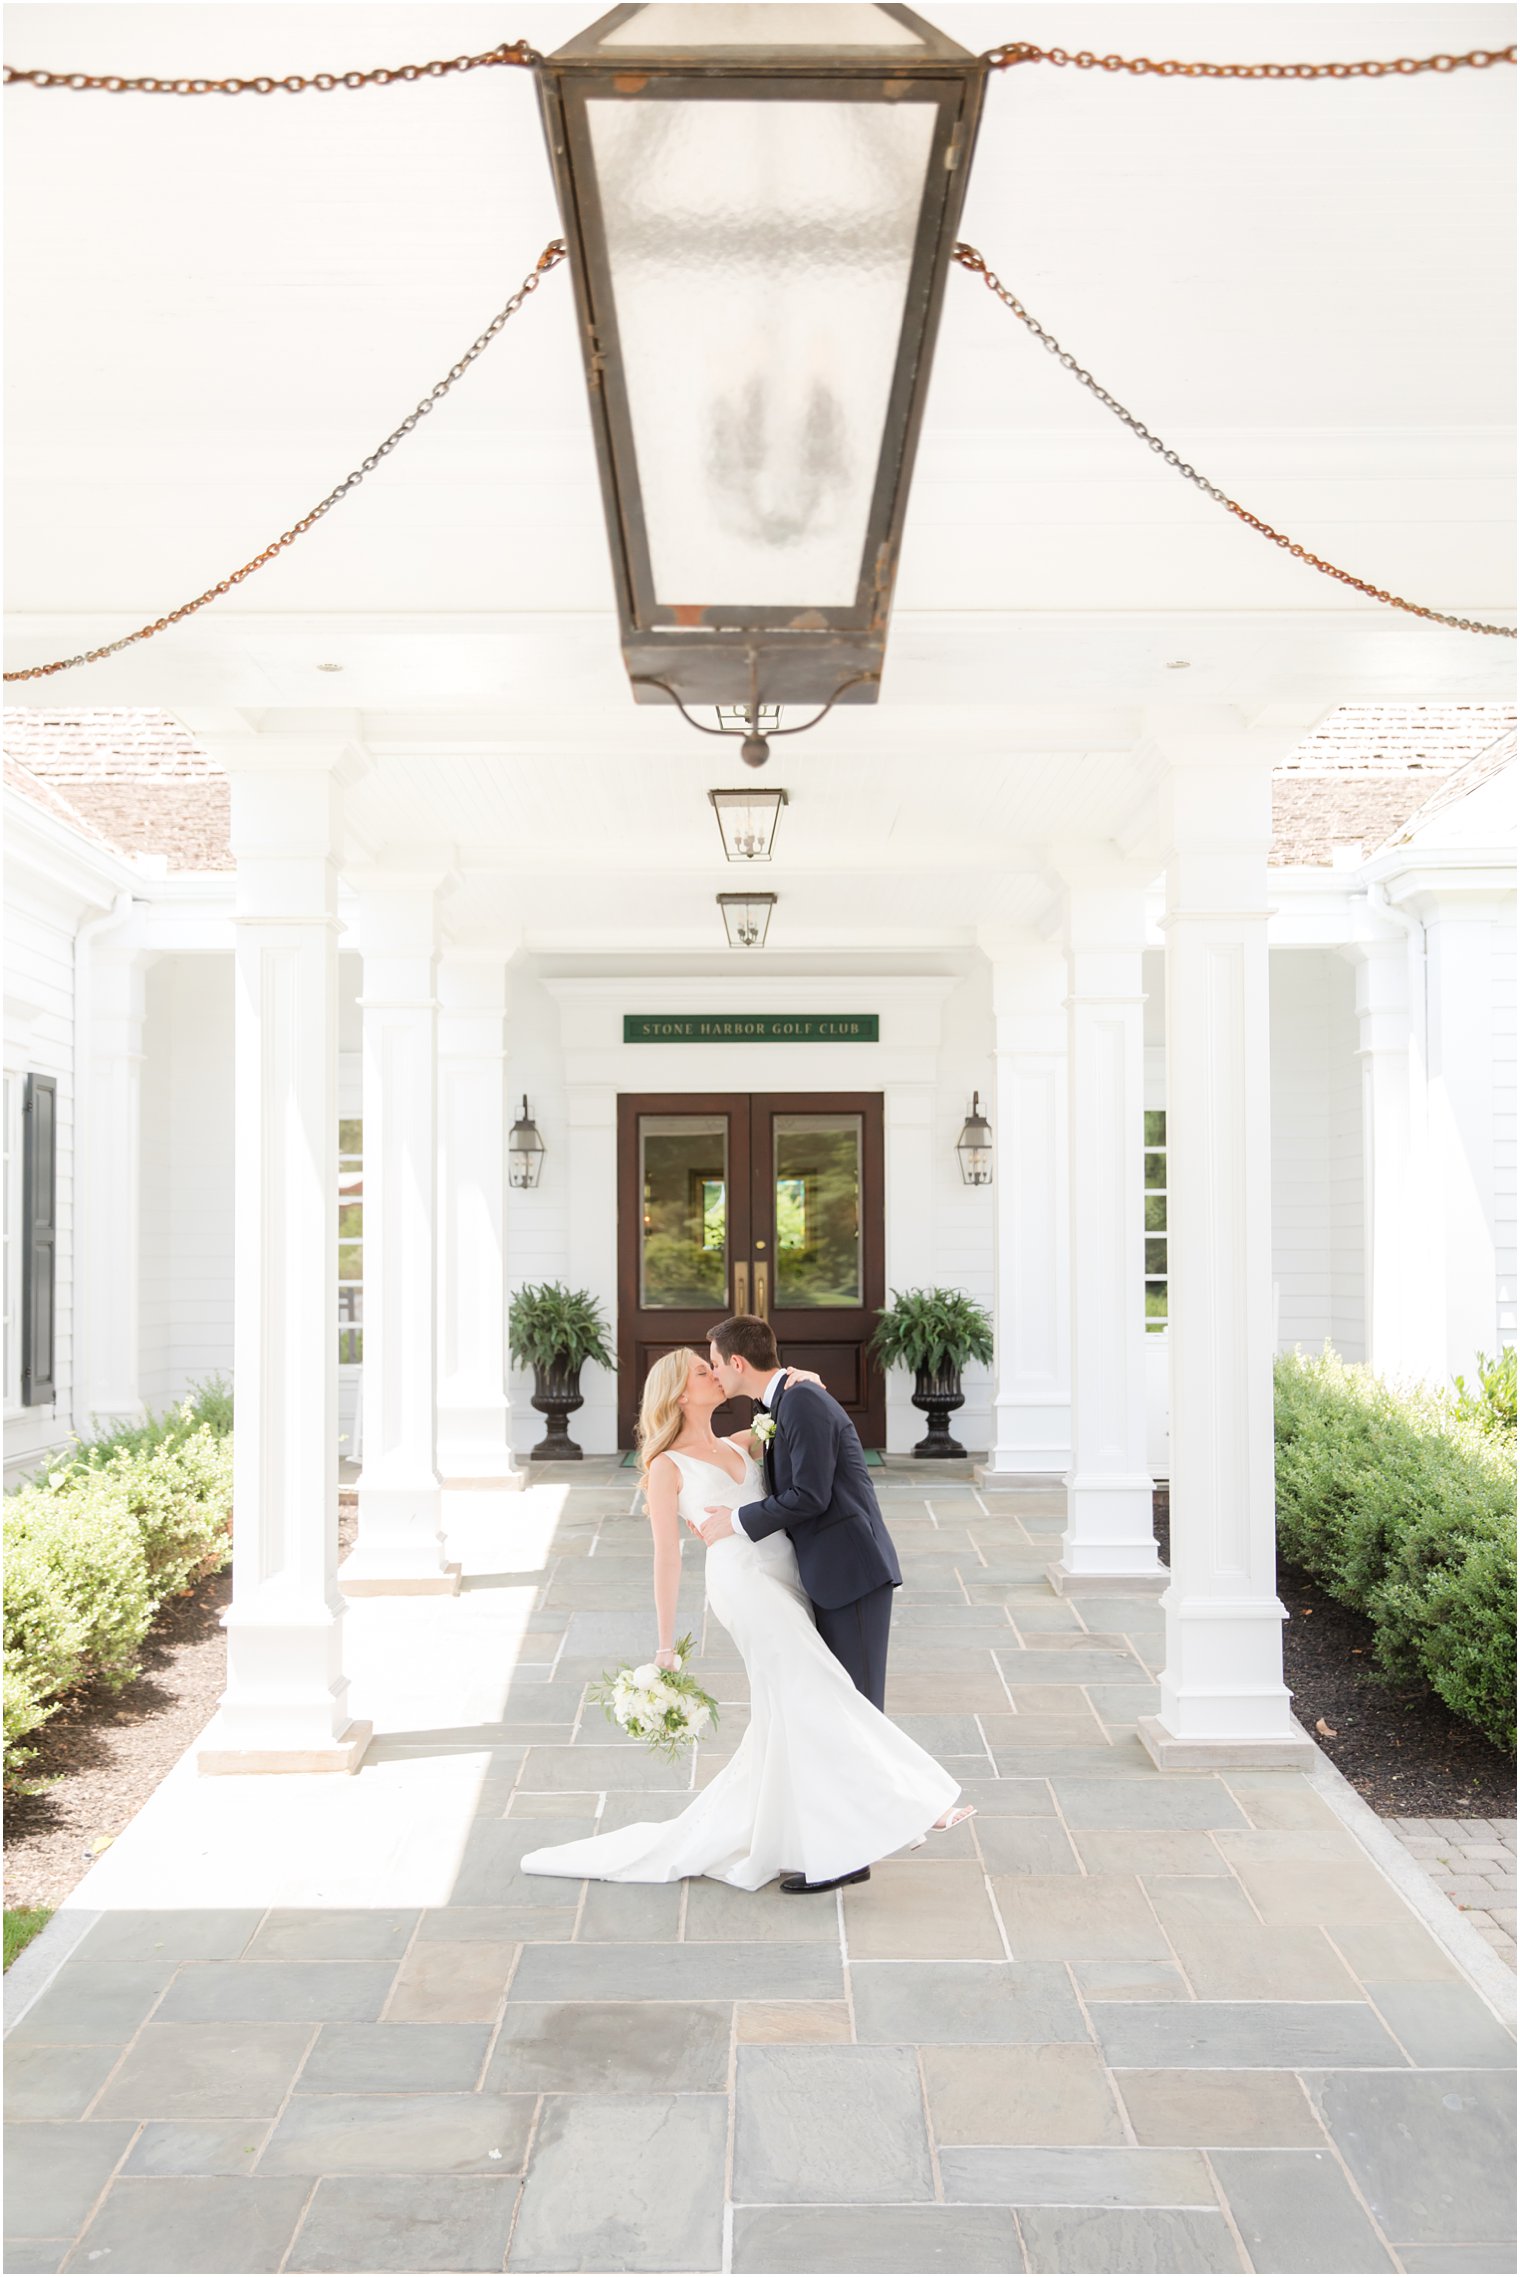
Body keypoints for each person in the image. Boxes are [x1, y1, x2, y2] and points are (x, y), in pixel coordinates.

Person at [519, 1338, 973, 1897]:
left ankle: (819, 1831)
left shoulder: (745, 1441)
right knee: (817, 1690)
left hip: (791, 1579)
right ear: (681, 1394)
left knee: (793, 1709)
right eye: (702, 1371)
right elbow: (665, 1556)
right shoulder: (666, 1467)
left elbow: (788, 1413)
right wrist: (665, 1645)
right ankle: (914, 1803)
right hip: (746, 1589)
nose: (714, 1374)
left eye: (713, 1365)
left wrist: (799, 1377)